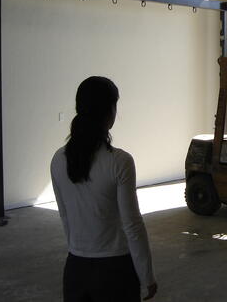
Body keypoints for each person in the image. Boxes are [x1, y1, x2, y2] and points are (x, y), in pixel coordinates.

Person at [51, 76, 157, 301]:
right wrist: (146, 276)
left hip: (75, 270)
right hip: (115, 271)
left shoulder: (58, 159)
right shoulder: (119, 161)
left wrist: (80, 249)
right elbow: (132, 225)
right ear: (110, 111)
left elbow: (65, 216)